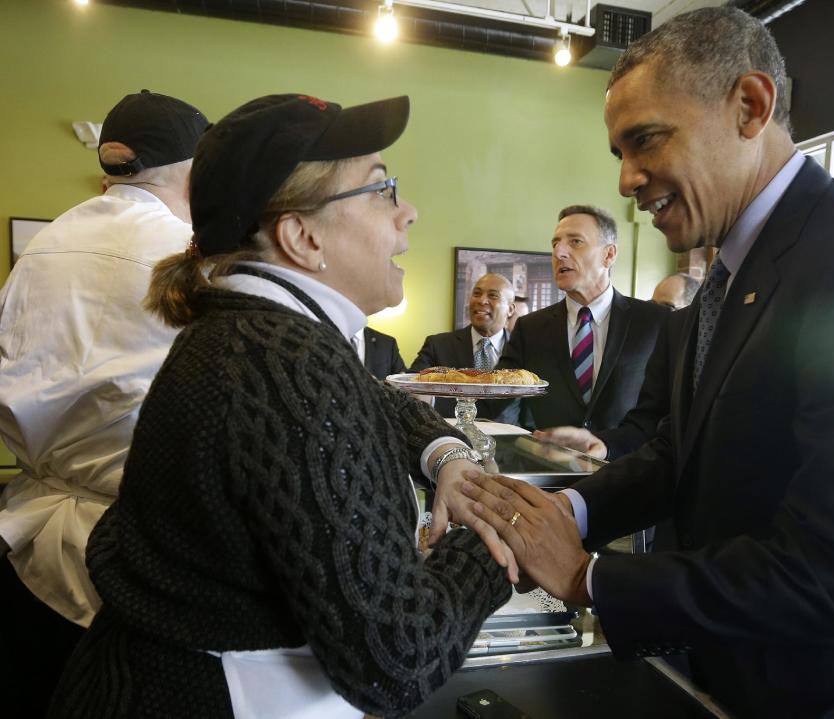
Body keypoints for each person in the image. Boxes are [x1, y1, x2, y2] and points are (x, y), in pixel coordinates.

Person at [460, 7, 834, 719]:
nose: (629, 180)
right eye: (619, 155)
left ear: (750, 107)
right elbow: (679, 457)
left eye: (647, 141)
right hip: (728, 670)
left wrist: (587, 575)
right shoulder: (720, 282)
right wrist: (563, 509)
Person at [50, 93, 513, 719]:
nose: (409, 213)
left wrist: (446, 455)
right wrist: (494, 537)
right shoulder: (284, 363)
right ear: (301, 236)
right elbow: (399, 660)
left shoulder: (257, 336)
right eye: (382, 190)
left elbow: (369, 396)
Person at [0, 89, 208, 716]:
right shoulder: (188, 258)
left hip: (27, 549)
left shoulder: (41, 250)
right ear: (195, 172)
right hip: (138, 563)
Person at [493, 205, 668, 431]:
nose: (559, 253)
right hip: (549, 463)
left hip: (628, 463)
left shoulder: (655, 322)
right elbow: (498, 401)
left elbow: (666, 410)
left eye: (575, 242)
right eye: (555, 244)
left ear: (609, 254)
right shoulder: (530, 328)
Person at [410, 272, 515, 416]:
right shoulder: (438, 345)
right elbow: (412, 388)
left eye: (493, 295)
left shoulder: (522, 349)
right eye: (476, 294)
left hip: (511, 436)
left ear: (510, 309)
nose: (482, 300)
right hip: (452, 435)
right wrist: (432, 400)